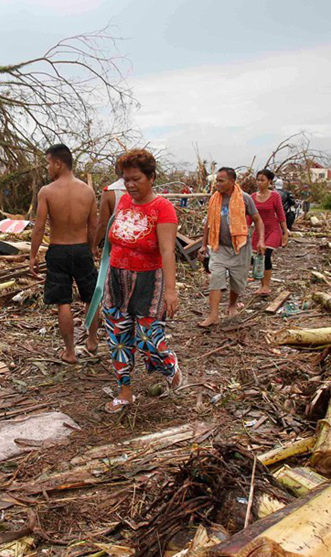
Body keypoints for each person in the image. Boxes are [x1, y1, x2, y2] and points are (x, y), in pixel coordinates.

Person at [103, 149, 181, 413]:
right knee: (119, 338)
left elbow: (168, 251)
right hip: (117, 279)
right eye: (126, 179)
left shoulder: (163, 208)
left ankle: (169, 364)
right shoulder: (124, 201)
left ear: (151, 177)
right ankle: (125, 392)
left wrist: (171, 291)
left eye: (136, 179)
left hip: (149, 281)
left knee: (149, 339)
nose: (130, 184)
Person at [30, 144, 100, 364]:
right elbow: (93, 226)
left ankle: (70, 352)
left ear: (58, 163)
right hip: (81, 249)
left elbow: (39, 227)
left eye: (49, 163)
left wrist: (32, 256)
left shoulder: (47, 192)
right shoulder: (87, 191)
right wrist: (91, 248)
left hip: (58, 251)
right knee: (91, 297)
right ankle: (92, 340)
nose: (48, 168)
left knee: (63, 303)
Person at [197, 167, 265, 327]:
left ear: (232, 181)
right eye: (217, 181)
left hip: (240, 247)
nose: (217, 184)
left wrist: (261, 240)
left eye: (221, 181)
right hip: (219, 247)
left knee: (237, 280)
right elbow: (208, 223)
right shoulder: (214, 199)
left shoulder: (244, 198)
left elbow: (258, 220)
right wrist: (203, 245)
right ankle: (213, 315)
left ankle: (232, 305)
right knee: (216, 277)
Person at [250, 169, 289, 295]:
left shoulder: (275, 196)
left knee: (266, 255)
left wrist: (285, 232)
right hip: (259, 232)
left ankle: (266, 286)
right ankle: (262, 286)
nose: (259, 183)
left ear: (270, 182)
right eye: (258, 180)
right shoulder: (252, 197)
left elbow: (280, 214)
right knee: (259, 258)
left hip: (273, 229)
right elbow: (249, 216)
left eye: (263, 180)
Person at [94, 159, 127, 253]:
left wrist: (93, 246)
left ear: (116, 169)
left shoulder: (110, 191)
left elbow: (103, 224)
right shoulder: (144, 192)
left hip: (115, 246)